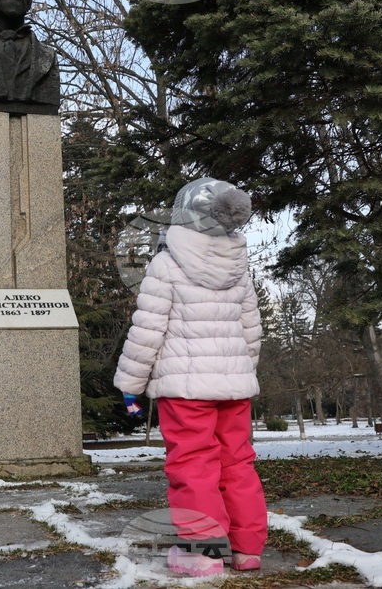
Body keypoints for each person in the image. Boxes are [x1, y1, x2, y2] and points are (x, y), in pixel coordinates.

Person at [114, 178, 267, 577]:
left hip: (185, 389)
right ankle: (248, 550)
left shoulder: (166, 264)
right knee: (238, 464)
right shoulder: (239, 268)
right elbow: (251, 330)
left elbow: (148, 330)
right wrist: (240, 372)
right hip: (233, 389)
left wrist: (131, 385)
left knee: (193, 466)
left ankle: (204, 553)